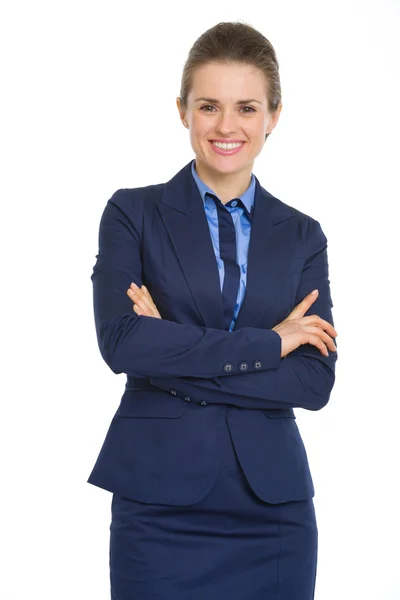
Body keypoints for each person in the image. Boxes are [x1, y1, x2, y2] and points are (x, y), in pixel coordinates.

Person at [88, 21, 338, 600]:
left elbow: (314, 378)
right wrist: (271, 343)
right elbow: (123, 343)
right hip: (157, 507)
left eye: (246, 107)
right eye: (209, 106)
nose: (227, 126)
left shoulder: (303, 236)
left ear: (273, 115)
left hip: (272, 512)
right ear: (182, 111)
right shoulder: (132, 214)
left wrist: (170, 353)